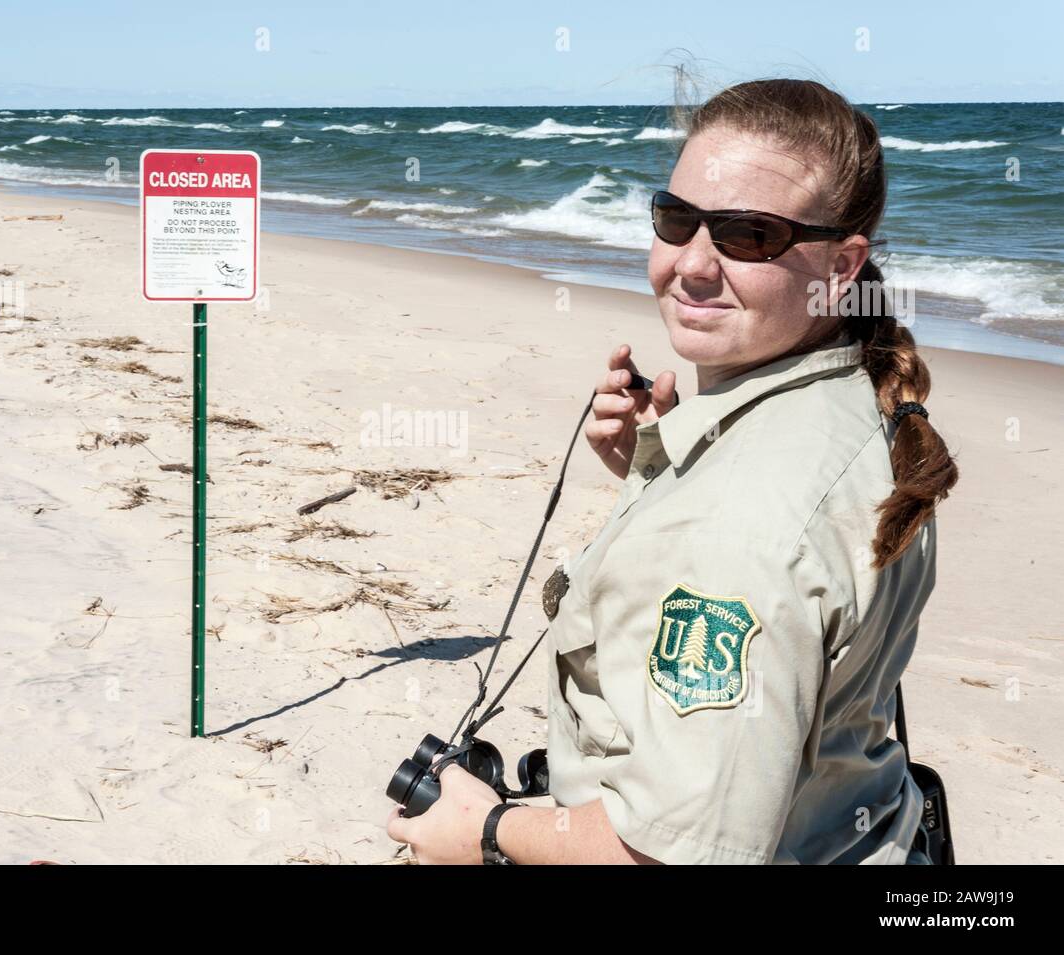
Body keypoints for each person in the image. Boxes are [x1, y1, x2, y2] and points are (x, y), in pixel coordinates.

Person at [386, 78, 959, 864]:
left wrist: (481, 830)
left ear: (842, 261)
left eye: (748, 235)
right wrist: (661, 476)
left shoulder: (742, 528)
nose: (691, 264)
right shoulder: (867, 411)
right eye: (675, 219)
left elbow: (678, 853)